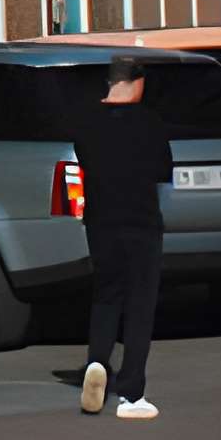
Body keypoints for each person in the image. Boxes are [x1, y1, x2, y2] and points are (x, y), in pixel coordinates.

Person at [70, 52, 172, 420]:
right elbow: (163, 171)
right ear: (137, 82)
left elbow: (84, 160)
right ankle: (132, 393)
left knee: (106, 296)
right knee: (140, 304)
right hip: (142, 222)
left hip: (101, 221)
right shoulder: (150, 122)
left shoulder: (86, 123)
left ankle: (97, 362)